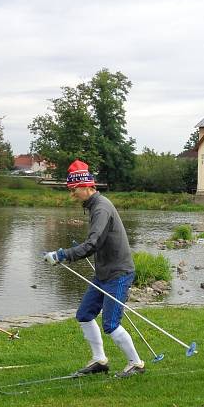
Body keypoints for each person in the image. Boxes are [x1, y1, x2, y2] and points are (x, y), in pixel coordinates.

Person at [43, 160, 145, 377]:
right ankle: (99, 360)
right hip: (103, 273)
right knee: (84, 315)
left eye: (74, 190)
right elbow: (96, 242)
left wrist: (62, 256)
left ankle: (136, 363)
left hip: (118, 273)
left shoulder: (101, 207)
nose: (72, 195)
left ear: (86, 186)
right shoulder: (94, 206)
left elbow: (92, 244)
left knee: (110, 324)